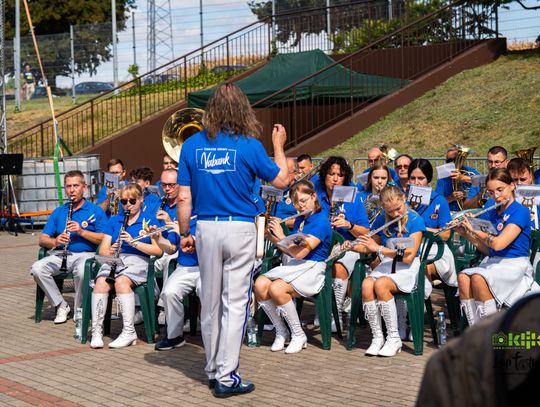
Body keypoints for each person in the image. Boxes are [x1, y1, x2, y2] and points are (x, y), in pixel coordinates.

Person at [176, 83, 289, 397]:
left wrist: (185, 233)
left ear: (211, 109)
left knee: (209, 302)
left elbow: (183, 198)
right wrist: (278, 145)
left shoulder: (191, 145)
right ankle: (227, 375)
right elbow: (282, 180)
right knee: (235, 303)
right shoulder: (250, 145)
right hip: (239, 227)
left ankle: (212, 369)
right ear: (242, 108)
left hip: (205, 227)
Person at [254, 180, 332, 353]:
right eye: (296, 202)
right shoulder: (301, 220)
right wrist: (270, 236)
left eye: (304, 200)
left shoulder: (321, 221)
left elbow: (300, 253)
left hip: (313, 268)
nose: (300, 205)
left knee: (276, 289)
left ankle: (298, 334)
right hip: (296, 265)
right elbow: (291, 250)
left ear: (314, 197)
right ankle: (281, 331)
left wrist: (281, 236)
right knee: (259, 285)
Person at [347, 185, 425, 357]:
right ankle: (377, 337)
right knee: (367, 284)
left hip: (407, 268)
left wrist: (380, 249)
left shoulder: (415, 220)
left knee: (381, 284)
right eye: (390, 211)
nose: (396, 214)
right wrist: (350, 247)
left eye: (398, 209)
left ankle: (393, 337)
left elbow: (408, 257)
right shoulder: (383, 219)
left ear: (403, 199)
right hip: (389, 264)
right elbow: (369, 246)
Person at [457, 168, 539, 327]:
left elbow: (498, 243)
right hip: (494, 262)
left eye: (500, 190)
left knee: (478, 278)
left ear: (513, 185)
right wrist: (465, 233)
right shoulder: (492, 212)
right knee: (462, 277)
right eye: (491, 192)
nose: (496, 196)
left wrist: (475, 229)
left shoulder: (520, 211)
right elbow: (489, 250)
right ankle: (476, 331)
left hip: (515, 265)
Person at [90, 183, 162, 349]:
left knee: (121, 281)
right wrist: (111, 250)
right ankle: (97, 330)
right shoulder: (115, 220)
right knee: (101, 282)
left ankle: (129, 330)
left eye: (132, 200)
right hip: (116, 259)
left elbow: (157, 251)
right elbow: (103, 250)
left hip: (138, 260)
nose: (128, 205)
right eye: (124, 201)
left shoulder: (149, 220)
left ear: (141, 200)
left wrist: (133, 243)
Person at [32, 170, 107, 324]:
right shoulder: (59, 211)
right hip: (62, 254)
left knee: (81, 271)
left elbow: (105, 238)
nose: (72, 190)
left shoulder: (95, 211)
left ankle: (79, 309)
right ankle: (61, 305)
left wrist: (81, 232)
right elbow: (42, 239)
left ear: (84, 187)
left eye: (76, 185)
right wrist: (55, 241)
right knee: (37, 268)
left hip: (87, 254)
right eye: (68, 186)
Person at [314, 156, 369, 330]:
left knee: (337, 266)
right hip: (321, 246)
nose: (335, 178)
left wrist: (349, 225)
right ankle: (320, 308)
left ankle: (334, 313)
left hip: (349, 247)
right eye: (331, 174)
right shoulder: (316, 197)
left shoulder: (354, 199)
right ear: (324, 176)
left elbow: (366, 231)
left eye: (340, 175)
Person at [404, 159, 457, 339]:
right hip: (410, 248)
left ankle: (414, 320)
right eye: (413, 178)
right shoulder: (403, 199)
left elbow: (445, 235)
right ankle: (402, 319)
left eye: (421, 178)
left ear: (429, 180)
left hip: (434, 249)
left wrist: (420, 228)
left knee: (418, 267)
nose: (416, 183)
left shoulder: (439, 200)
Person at [153, 216, 199, 351]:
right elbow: (171, 248)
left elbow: (212, 244)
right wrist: (158, 239)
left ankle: (213, 338)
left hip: (208, 266)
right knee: (169, 292)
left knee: (205, 292)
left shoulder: (209, 217)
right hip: (185, 267)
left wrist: (185, 234)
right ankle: (175, 336)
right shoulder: (182, 218)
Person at [435, 146, 480, 211]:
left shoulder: (471, 172)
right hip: (451, 213)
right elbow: (437, 203)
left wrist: (463, 178)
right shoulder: (443, 177)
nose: (454, 163)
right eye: (450, 160)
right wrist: (451, 198)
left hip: (470, 212)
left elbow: (484, 182)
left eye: (456, 159)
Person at [272, 157, 300, 229]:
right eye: (278, 172)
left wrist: (282, 222)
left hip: (289, 236)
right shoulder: (272, 189)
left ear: (295, 174)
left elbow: (306, 220)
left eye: (286, 173)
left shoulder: (301, 192)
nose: (281, 176)